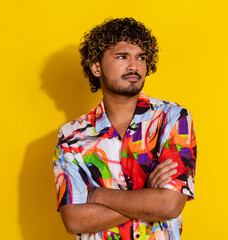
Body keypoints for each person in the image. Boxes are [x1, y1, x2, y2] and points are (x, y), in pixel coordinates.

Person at [53, 17, 197, 240]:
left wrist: (98, 194)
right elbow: (73, 220)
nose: (134, 66)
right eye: (122, 56)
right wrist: (148, 195)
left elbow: (169, 205)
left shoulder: (172, 118)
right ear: (96, 67)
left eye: (141, 57)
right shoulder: (71, 136)